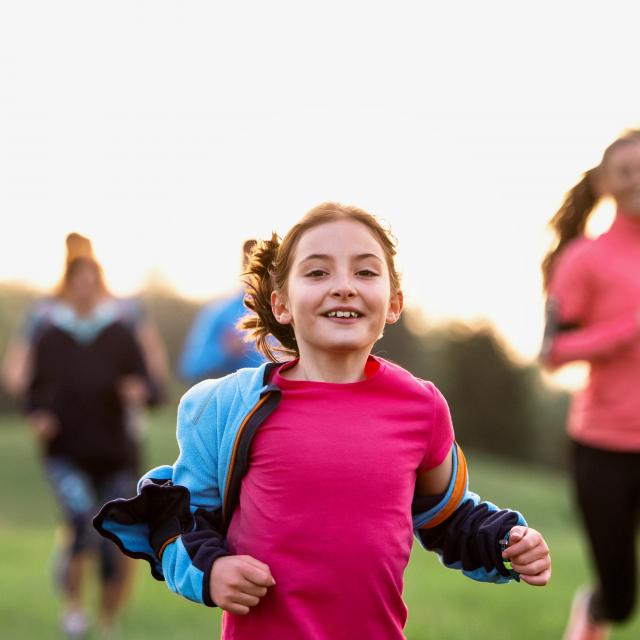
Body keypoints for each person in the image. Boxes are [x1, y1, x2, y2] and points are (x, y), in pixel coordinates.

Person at [95, 202, 551, 639]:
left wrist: (504, 542)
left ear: (393, 303)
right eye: (317, 272)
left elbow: (447, 517)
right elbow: (181, 517)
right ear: (281, 304)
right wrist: (212, 570)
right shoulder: (231, 406)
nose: (344, 285)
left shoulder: (422, 407)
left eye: (366, 271)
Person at [541, 129, 640, 640]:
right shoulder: (584, 259)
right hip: (604, 446)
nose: (637, 180)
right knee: (620, 598)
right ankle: (592, 613)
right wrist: (625, 333)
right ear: (606, 183)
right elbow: (552, 353)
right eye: (626, 171)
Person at [25, 255, 152, 638]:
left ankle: (109, 619)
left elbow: (147, 384)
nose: (83, 287)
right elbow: (34, 390)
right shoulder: (50, 333)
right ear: (67, 286)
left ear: (99, 284)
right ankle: (74, 611)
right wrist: (40, 414)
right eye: (76, 280)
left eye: (90, 280)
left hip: (115, 452)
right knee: (80, 525)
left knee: (115, 536)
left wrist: (137, 390)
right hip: (66, 451)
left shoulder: (119, 331)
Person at [2, 232, 168, 406]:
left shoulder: (125, 311)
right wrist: (36, 402)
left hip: (114, 409)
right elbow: (17, 369)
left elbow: (151, 354)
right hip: (63, 409)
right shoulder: (45, 313)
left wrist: (148, 388)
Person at [178, 239, 265, 383]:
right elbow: (190, 368)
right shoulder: (219, 313)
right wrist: (224, 350)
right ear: (245, 264)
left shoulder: (294, 312)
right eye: (253, 260)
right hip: (243, 401)